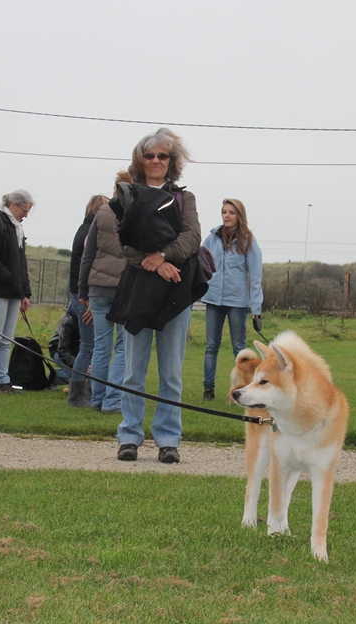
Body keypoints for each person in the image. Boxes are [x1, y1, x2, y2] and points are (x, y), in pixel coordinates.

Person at [109, 128, 205, 464]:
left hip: (176, 291)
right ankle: (129, 436)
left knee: (171, 372)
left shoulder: (184, 198)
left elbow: (192, 236)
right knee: (133, 369)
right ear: (140, 159)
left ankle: (168, 439)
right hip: (138, 289)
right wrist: (153, 263)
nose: (155, 161)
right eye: (149, 155)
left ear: (171, 161)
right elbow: (124, 243)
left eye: (162, 156)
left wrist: (163, 258)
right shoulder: (126, 194)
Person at [78, 171, 131, 415]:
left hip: (98, 286)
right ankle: (112, 401)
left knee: (101, 346)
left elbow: (88, 254)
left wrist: (83, 289)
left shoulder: (102, 212)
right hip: (123, 288)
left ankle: (97, 399)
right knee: (122, 347)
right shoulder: (134, 212)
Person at [200, 198, 263, 401]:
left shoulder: (248, 241)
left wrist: (256, 308)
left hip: (237, 302)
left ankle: (245, 390)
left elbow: (255, 276)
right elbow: (201, 265)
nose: (226, 215)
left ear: (239, 216)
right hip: (213, 300)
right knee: (211, 346)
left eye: (231, 212)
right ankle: (208, 389)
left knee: (239, 348)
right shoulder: (211, 238)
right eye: (224, 212)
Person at [0, 190, 33, 394]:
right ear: (13, 205)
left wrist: (24, 291)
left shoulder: (17, 229)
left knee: (6, 338)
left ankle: (3, 378)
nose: (26, 215)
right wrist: (10, 280)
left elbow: (21, 264)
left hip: (13, 292)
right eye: (24, 210)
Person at [66, 195, 108, 407]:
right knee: (90, 345)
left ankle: (80, 393)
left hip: (78, 294)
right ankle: (80, 394)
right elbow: (90, 267)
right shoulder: (90, 234)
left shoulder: (83, 230)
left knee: (89, 345)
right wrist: (91, 301)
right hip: (84, 297)